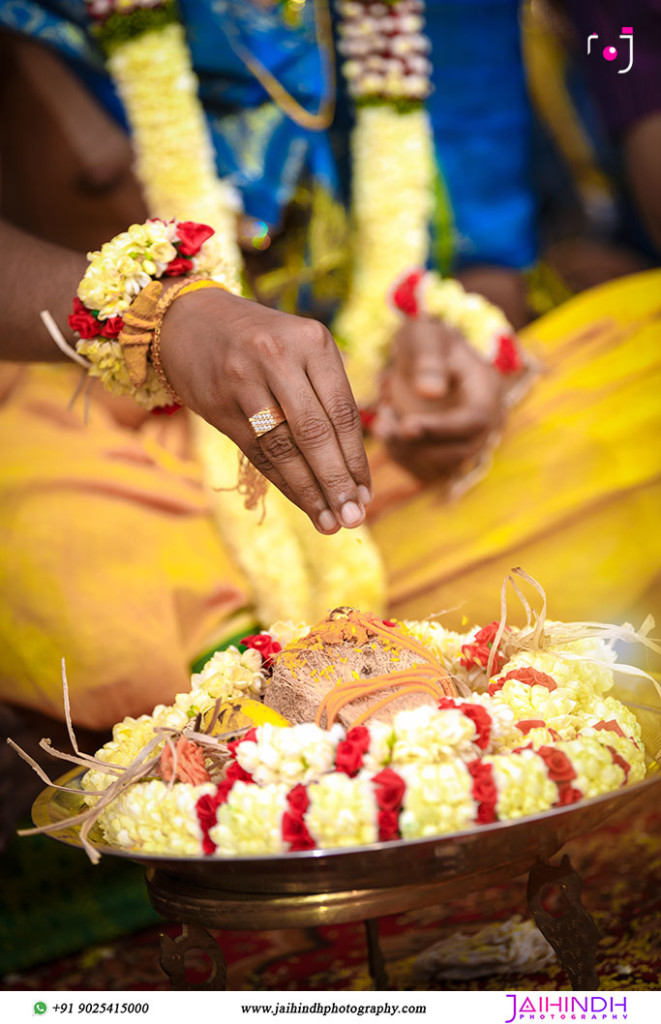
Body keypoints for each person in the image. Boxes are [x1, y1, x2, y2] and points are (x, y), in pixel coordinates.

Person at [0, 0, 659, 750]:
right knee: (66, 574)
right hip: (111, 422)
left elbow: (486, 250)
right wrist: (162, 317)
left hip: (374, 435)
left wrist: (454, 344)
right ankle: (253, 717)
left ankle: (340, 689)